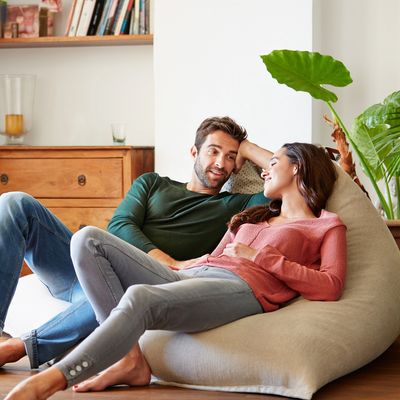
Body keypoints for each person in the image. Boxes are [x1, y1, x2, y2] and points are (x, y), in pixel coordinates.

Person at [4, 142, 347, 399]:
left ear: (299, 168)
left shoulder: (326, 225)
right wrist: (180, 264)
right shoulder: (253, 216)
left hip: (242, 287)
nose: (264, 171)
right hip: (194, 276)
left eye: (273, 163)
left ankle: (51, 381)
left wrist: (263, 258)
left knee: (140, 297)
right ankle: (130, 359)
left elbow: (330, 285)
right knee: (87, 239)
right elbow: (211, 257)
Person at [0, 116, 271, 370]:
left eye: (231, 157)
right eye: (213, 151)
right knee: (15, 203)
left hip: (130, 282)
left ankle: (18, 348)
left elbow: (289, 181)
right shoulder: (152, 183)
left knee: (129, 290)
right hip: (83, 266)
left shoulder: (236, 205)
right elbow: (119, 226)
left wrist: (248, 148)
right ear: (194, 152)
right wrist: (171, 262)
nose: (221, 163)